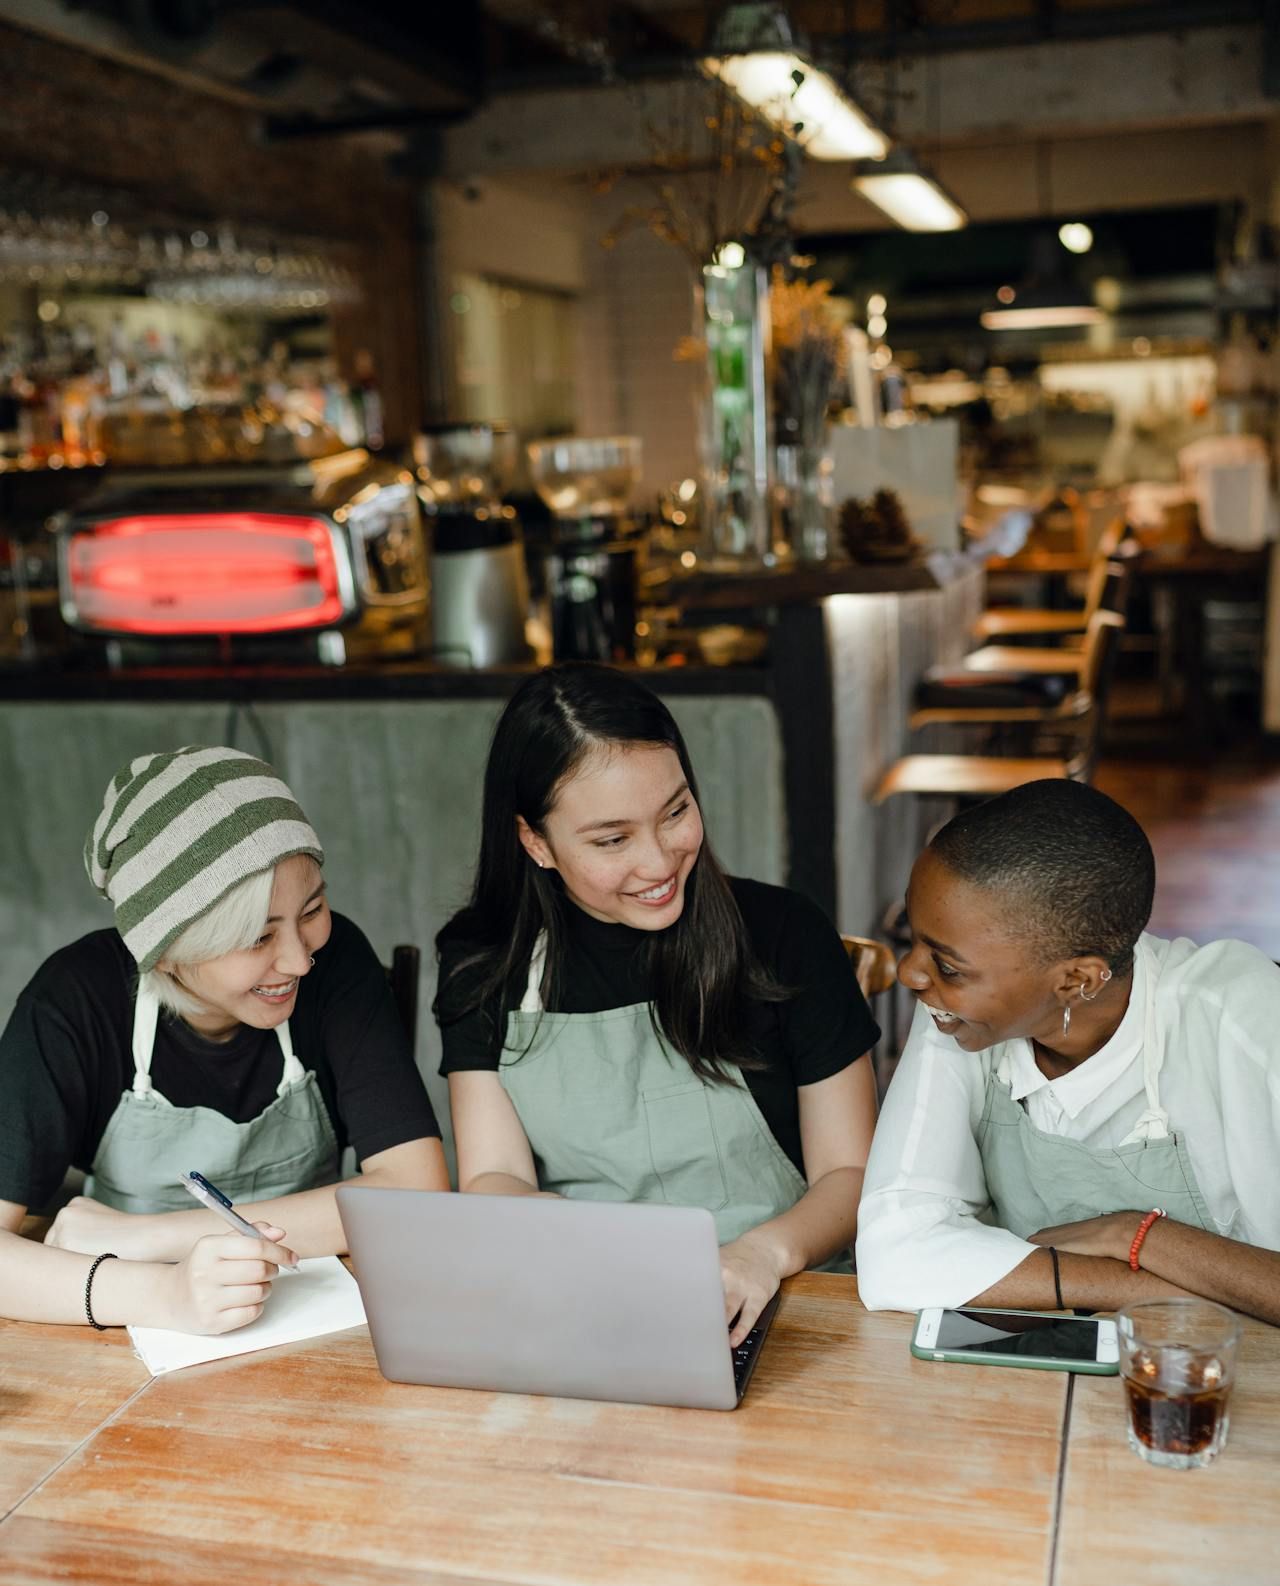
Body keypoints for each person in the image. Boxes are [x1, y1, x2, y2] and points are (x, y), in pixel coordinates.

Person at [435, 663, 879, 1346]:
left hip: (791, 1298)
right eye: (612, 840)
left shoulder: (784, 934)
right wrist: (594, 1251)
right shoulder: (484, 962)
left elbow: (850, 1175)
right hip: (583, 1298)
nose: (659, 862)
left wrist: (761, 1255)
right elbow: (494, 1175)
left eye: (675, 811)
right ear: (535, 842)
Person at [0, 746, 447, 1334]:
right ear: (165, 952)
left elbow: (416, 1192)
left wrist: (144, 1236)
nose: (299, 959)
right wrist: (163, 1294)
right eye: (258, 938)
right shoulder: (74, 1001)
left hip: (318, 1316)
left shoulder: (337, 965)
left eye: (311, 909)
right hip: (128, 1328)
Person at [856, 779, 1280, 1324]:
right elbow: (895, 1253)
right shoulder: (956, 1012)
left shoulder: (1242, 1018)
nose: (910, 973)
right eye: (914, 940)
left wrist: (1134, 1234)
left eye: (947, 964)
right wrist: (1160, 1289)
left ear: (1078, 980)